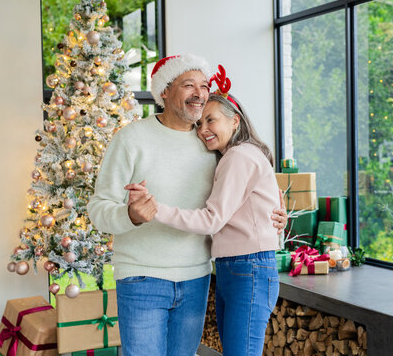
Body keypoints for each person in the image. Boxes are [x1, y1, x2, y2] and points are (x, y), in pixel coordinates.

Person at [86, 54, 287, 356]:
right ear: (164, 91)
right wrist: (131, 214)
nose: (199, 93)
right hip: (143, 277)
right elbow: (98, 210)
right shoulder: (131, 139)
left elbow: (245, 187)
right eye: (188, 85)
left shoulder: (210, 143)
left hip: (196, 278)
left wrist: (275, 217)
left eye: (204, 86)